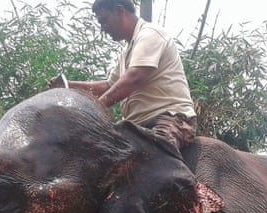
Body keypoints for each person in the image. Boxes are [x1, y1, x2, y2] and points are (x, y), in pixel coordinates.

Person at [49, 0, 197, 151]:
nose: (102, 28)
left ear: (120, 11)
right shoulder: (126, 54)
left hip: (170, 118)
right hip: (135, 126)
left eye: (104, 21)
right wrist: (68, 85)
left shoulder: (150, 34)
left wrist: (96, 107)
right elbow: (108, 86)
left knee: (155, 159)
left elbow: (134, 78)